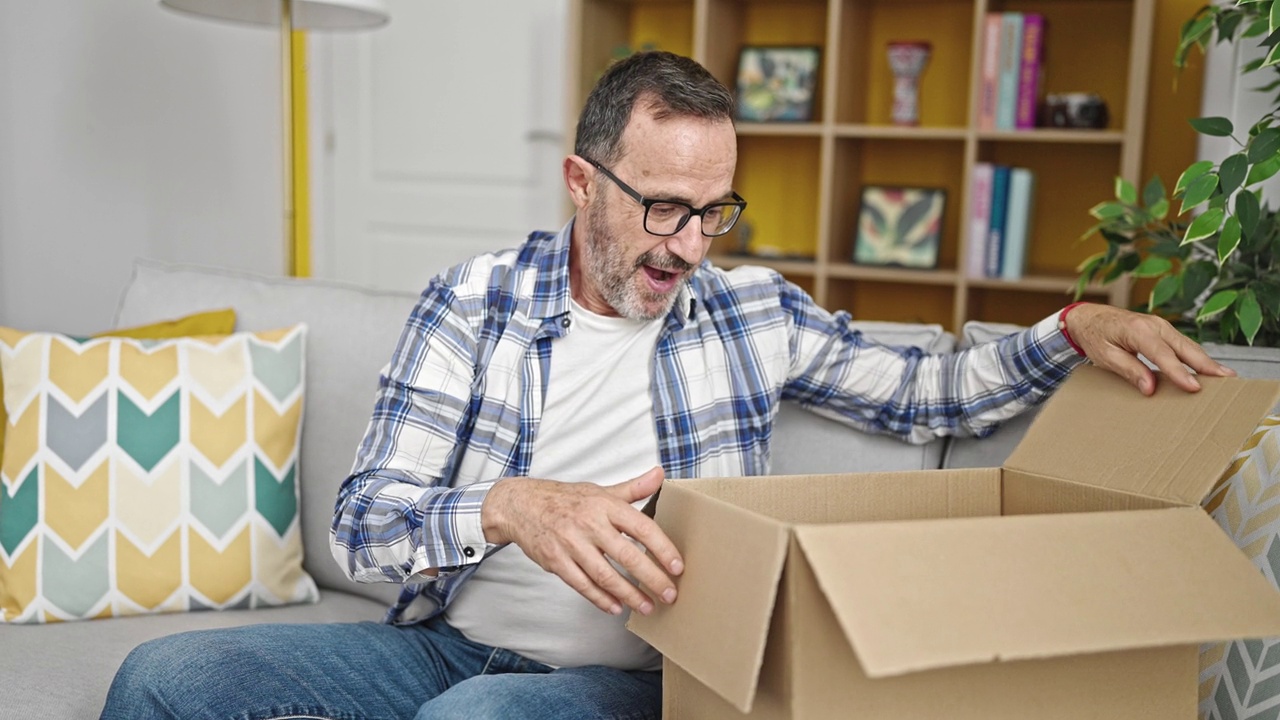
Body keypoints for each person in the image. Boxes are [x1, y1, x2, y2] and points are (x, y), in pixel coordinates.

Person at [100, 51, 1232, 720]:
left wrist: (1069, 325)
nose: (690, 243)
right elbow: (365, 531)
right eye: (661, 206)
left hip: (643, 677)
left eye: (714, 209)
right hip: (443, 641)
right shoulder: (473, 302)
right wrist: (512, 506)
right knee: (166, 679)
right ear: (581, 181)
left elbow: (927, 394)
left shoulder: (752, 312)